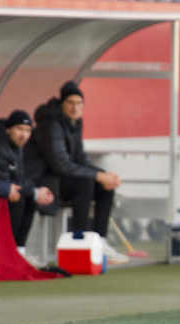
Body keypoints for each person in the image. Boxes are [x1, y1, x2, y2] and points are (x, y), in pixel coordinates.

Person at [31, 81, 128, 264]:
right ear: (62, 104)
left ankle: (99, 242)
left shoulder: (75, 123)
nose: (75, 107)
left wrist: (104, 175)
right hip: (48, 181)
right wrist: (96, 176)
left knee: (104, 186)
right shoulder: (52, 125)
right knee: (86, 183)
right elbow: (60, 164)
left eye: (79, 103)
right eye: (70, 103)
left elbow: (80, 159)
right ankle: (80, 241)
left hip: (64, 179)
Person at [0, 110, 55, 262]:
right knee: (19, 197)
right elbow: (3, 179)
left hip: (4, 189)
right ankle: (8, 251)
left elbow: (20, 177)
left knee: (29, 197)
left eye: (27, 130)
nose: (23, 135)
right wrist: (35, 192)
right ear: (8, 129)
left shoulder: (16, 147)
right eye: (19, 129)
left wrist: (37, 192)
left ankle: (20, 250)